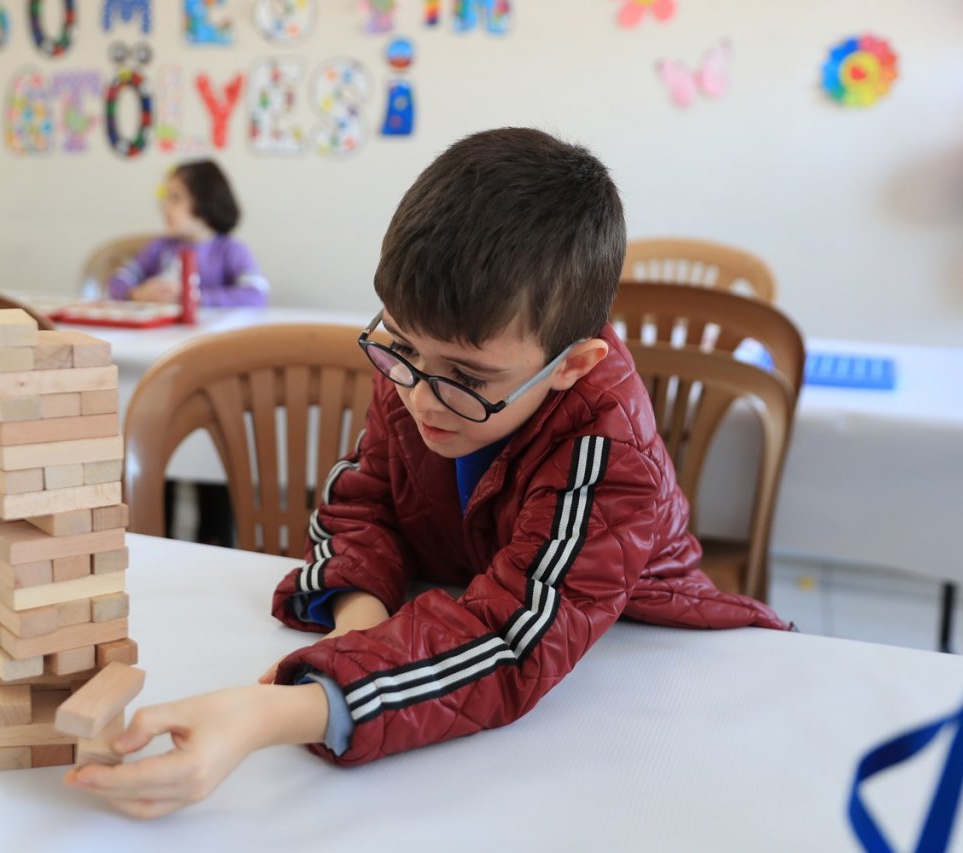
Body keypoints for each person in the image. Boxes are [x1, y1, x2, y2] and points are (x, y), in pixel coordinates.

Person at [64, 127, 790, 817]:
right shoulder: (424, 367)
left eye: (467, 374)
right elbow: (362, 504)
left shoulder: (608, 449)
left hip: (644, 672)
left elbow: (514, 641)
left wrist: (270, 713)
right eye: (403, 347)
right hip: (451, 639)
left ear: (571, 365)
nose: (416, 394)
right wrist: (362, 622)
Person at [101, 159, 269, 307]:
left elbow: (256, 294)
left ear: (206, 201)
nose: (164, 207)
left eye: (175, 198)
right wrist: (136, 294)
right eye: (165, 198)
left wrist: (191, 298)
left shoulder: (231, 250)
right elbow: (116, 281)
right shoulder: (158, 247)